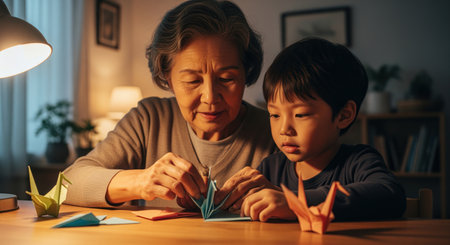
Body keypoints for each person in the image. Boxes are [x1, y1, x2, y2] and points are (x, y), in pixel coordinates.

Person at [63, 0, 277, 208]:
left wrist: (286, 199)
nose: (210, 97)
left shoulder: (276, 129)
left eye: (227, 78)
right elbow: (67, 184)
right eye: (192, 81)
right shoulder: (149, 119)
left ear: (246, 72)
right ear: (168, 78)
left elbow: (307, 202)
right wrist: (140, 181)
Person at [237, 37, 406, 221]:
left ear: (344, 115)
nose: (284, 129)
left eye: (300, 115)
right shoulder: (271, 168)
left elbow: (390, 195)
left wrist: (296, 202)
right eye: (275, 115)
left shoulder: (358, 162)